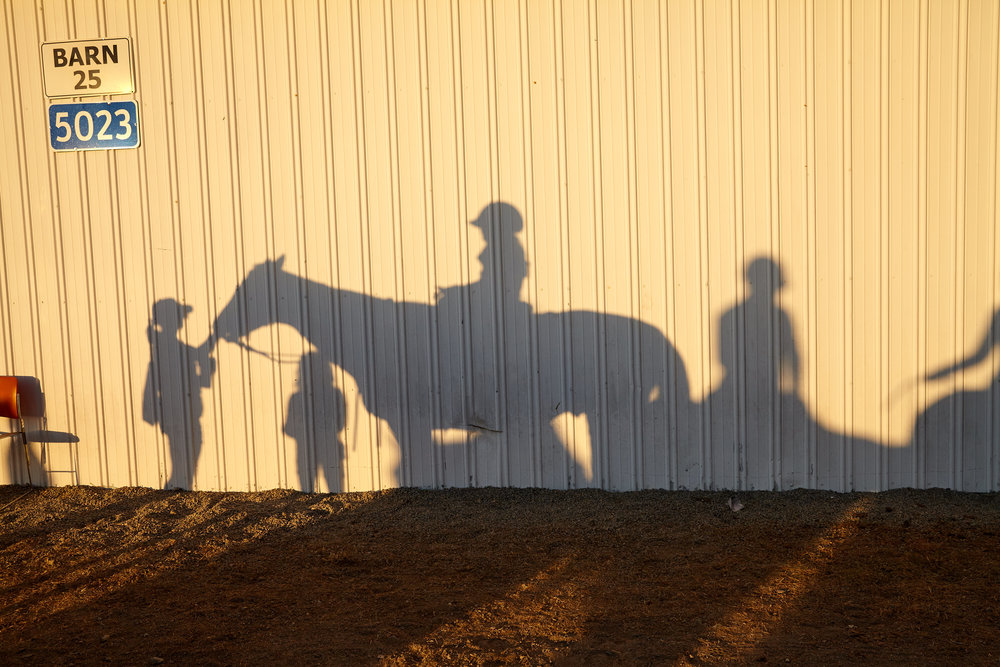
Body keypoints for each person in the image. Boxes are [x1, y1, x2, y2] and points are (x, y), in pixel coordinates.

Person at [142, 298, 214, 489]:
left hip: (181, 411)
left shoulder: (165, 346)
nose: (182, 320)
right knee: (183, 463)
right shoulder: (169, 348)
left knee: (183, 461)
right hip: (176, 411)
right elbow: (203, 381)